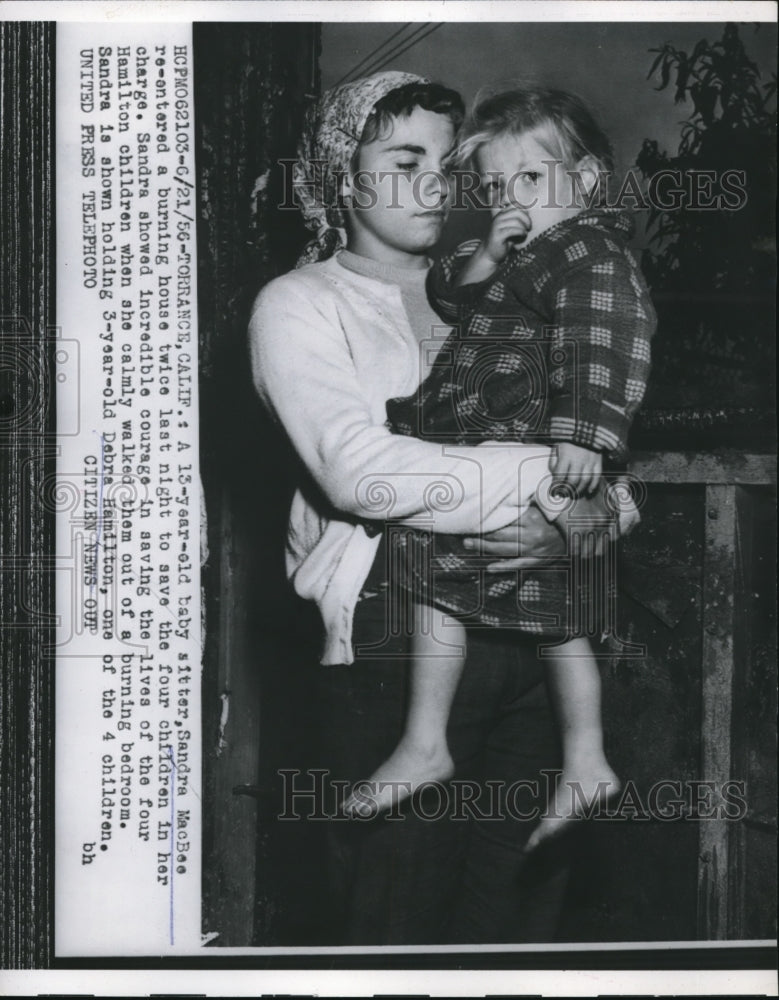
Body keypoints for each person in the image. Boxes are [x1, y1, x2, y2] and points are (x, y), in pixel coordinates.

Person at [249, 71, 630, 945]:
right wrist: (550, 486)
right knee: (398, 920)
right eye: (402, 160)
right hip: (392, 637)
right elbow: (360, 473)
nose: (433, 185)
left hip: (537, 630)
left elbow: (599, 442)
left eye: (445, 164)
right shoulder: (300, 304)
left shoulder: (505, 286)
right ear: (342, 175)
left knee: (518, 918)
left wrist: (593, 515)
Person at [343, 87, 656, 853]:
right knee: (543, 616)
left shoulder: (587, 252)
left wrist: (585, 436)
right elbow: (456, 300)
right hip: (506, 454)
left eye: (529, 179)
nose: (508, 199)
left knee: (459, 582)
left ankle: (476, 748)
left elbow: (607, 339)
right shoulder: (532, 250)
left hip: (535, 452)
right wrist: (488, 251)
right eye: (492, 187)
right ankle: (565, 759)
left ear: (585, 180)